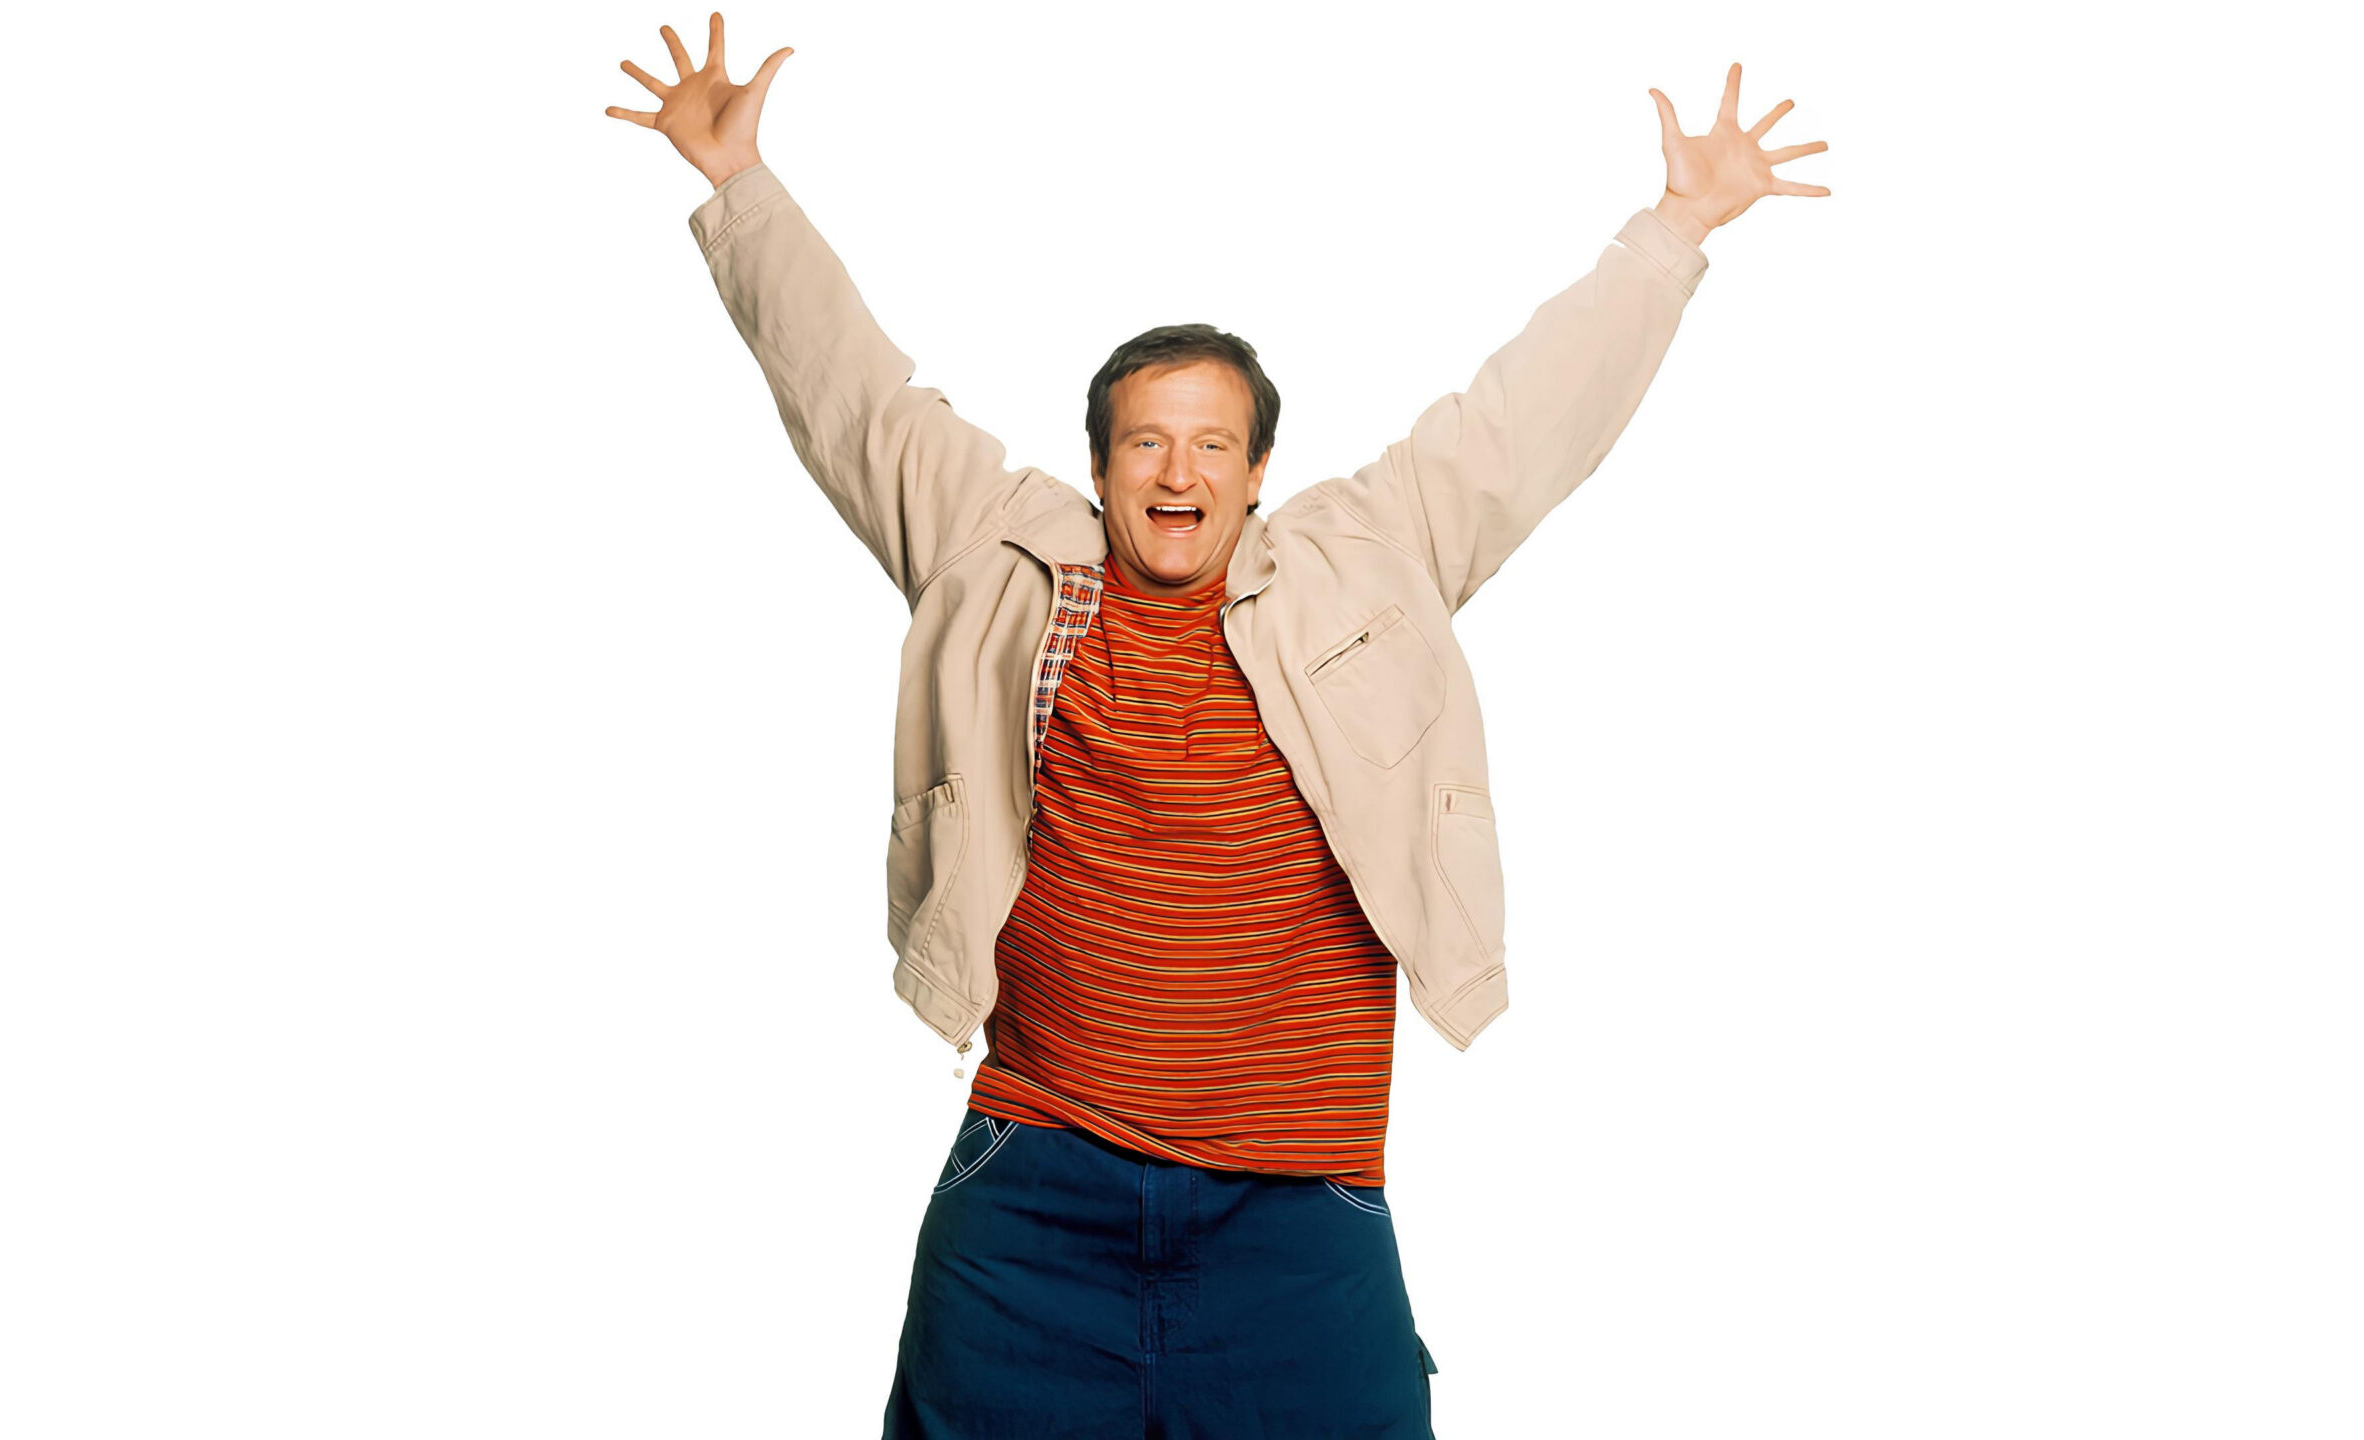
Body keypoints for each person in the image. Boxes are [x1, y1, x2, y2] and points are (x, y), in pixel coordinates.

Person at [608, 14, 1829, 1436]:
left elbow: (1523, 419)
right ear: (1101, 465)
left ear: (1257, 473)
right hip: (1035, 1188)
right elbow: (854, 398)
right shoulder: (1002, 554)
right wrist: (738, 184)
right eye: (1146, 439)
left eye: (1211, 442)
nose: (1176, 471)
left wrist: (1677, 228)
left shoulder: (1367, 555)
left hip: (1297, 1208)